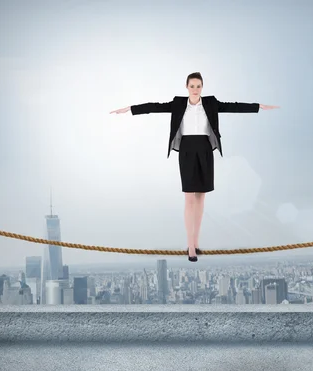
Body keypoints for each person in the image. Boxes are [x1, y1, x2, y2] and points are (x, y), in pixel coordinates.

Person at [110, 72, 279, 262]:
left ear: (202, 88)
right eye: (192, 86)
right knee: (189, 197)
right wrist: (130, 108)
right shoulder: (178, 103)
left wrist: (258, 107)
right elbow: (154, 107)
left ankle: (196, 242)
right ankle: (190, 244)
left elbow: (234, 106)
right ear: (186, 87)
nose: (195, 89)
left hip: (206, 149)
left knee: (201, 198)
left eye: (198, 86)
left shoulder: (211, 103)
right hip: (187, 150)